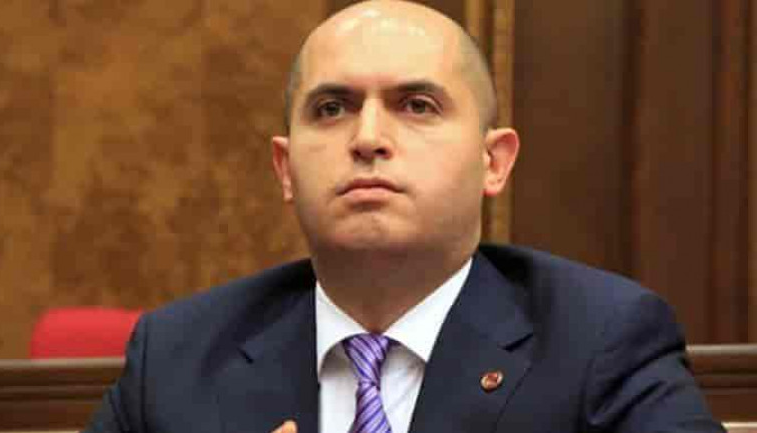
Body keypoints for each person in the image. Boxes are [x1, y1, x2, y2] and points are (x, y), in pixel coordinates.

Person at [84, 1, 724, 432]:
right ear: (285, 169)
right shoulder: (177, 358)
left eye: (417, 105)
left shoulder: (598, 342)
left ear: (493, 162)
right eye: (331, 109)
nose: (367, 138)